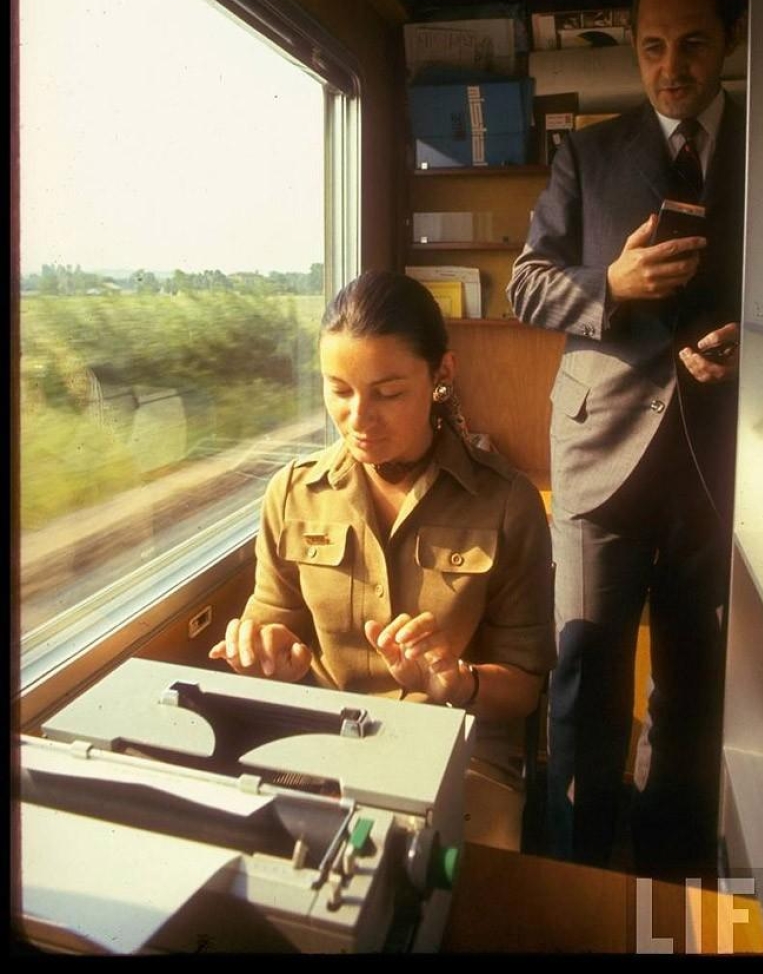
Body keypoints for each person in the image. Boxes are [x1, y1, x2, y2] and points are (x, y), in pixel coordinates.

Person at [507, 0, 746, 879]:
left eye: (690, 43)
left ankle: (664, 888)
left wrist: (747, 344)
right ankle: (577, 878)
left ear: (725, 40)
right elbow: (526, 285)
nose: (669, 66)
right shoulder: (588, 153)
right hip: (599, 453)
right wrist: (605, 285)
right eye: (651, 47)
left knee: (690, 692)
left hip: (720, 462)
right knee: (583, 681)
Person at [209, 268, 555, 850]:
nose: (359, 419)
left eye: (388, 392)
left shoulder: (507, 502)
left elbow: (522, 688)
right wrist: (266, 654)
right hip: (318, 742)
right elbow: (273, 624)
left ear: (441, 375)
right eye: (338, 391)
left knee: (435, 888)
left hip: (457, 747)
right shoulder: (291, 494)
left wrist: (457, 681)